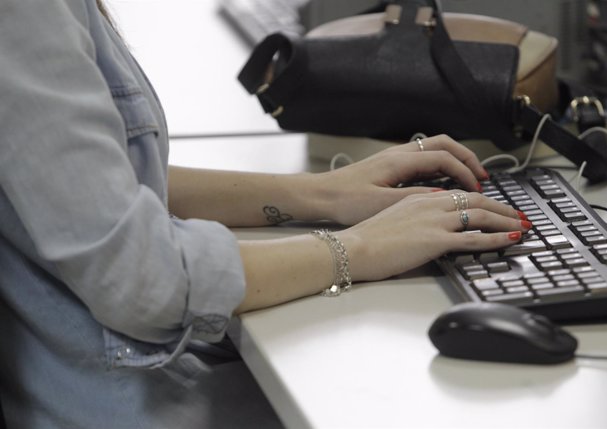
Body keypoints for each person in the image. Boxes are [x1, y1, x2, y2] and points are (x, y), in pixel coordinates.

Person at [0, 1, 531, 428]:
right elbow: (141, 278)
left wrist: (320, 195)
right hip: (129, 402)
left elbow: (90, 180)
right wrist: (359, 249)